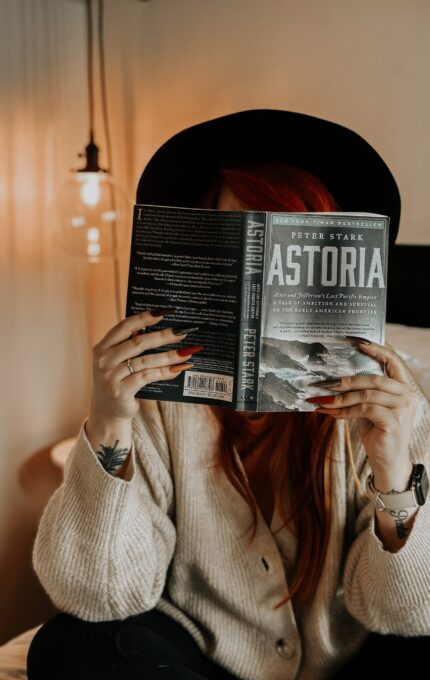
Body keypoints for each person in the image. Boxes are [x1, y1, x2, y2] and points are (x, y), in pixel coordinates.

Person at [27, 111, 430, 680]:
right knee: (65, 646)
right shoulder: (159, 394)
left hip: (345, 663)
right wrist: (110, 422)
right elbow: (97, 594)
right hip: (198, 661)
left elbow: (408, 611)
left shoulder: (392, 402)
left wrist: (394, 470)